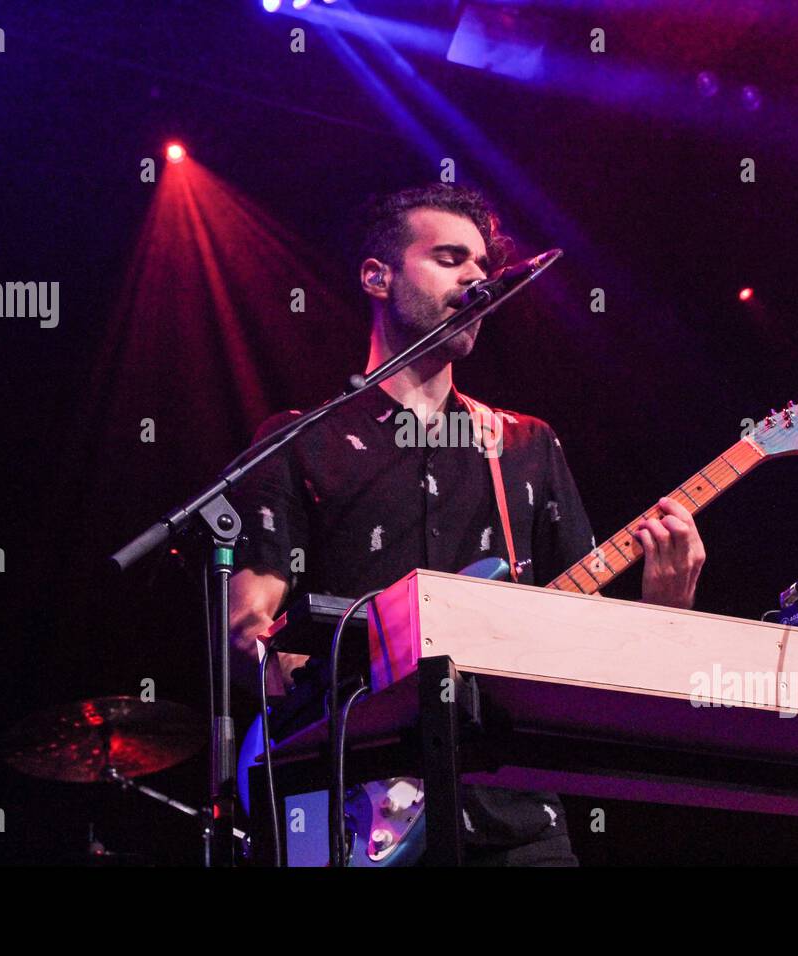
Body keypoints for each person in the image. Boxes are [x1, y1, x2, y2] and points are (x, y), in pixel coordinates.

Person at [227, 183, 705, 865]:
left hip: (518, 818)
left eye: (483, 266)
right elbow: (251, 633)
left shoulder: (526, 444)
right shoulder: (300, 442)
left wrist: (669, 609)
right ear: (377, 276)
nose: (477, 280)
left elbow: (591, 653)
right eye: (450, 259)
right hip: (357, 809)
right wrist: (365, 737)